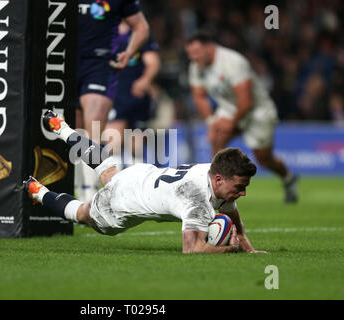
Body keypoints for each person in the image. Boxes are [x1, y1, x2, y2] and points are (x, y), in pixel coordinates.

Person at [23, 110, 267, 254]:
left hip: (140, 175)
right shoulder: (198, 201)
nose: (243, 194)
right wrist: (230, 249)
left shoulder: (212, 170)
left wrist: (248, 245)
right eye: (240, 187)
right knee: (82, 213)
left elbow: (232, 213)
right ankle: (38, 191)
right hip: (122, 203)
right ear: (218, 179)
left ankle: (61, 127)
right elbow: (192, 249)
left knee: (106, 168)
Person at [185, 30, 299, 203]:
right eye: (190, 54)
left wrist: (230, 124)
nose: (193, 58)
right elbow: (199, 95)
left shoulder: (232, 62)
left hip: (257, 111)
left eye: (197, 53)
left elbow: (246, 101)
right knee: (217, 139)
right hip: (230, 107)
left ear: (209, 48)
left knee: (264, 159)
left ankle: (288, 178)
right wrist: (211, 123)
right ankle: (214, 193)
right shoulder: (196, 66)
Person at [76, 0, 150, 201]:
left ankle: (90, 197)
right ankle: (78, 192)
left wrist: (129, 51)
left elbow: (141, 26)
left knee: (92, 132)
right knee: (74, 134)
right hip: (62, 61)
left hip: (99, 65)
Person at [106, 20, 160, 166]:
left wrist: (145, 80)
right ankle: (111, 183)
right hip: (114, 93)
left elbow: (152, 62)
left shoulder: (141, 33)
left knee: (136, 144)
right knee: (113, 140)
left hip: (137, 96)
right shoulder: (106, 30)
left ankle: (135, 183)